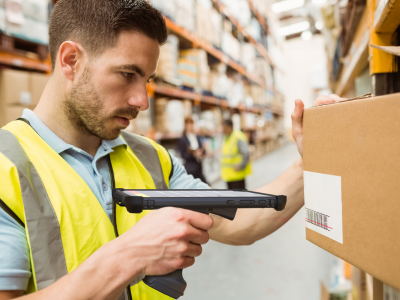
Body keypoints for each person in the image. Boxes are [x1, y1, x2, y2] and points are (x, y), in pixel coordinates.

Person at [0, 0, 344, 299]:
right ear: (71, 60)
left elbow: (241, 222)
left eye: (147, 80)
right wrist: (130, 257)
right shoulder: (6, 167)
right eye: (126, 74)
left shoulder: (150, 157)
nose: (142, 101)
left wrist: (308, 161)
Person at [221, 119, 251, 189]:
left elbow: (246, 153)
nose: (223, 130)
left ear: (230, 127)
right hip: (228, 176)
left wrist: (241, 166)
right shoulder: (226, 137)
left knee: (240, 197)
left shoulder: (238, 137)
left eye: (224, 128)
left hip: (237, 175)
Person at [177, 117, 208, 184]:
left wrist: (203, 150)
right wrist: (193, 154)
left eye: (191, 124)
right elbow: (183, 155)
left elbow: (203, 151)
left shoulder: (198, 137)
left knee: (204, 185)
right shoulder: (183, 139)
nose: (190, 126)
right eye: (188, 124)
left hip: (199, 166)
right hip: (190, 168)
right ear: (185, 126)